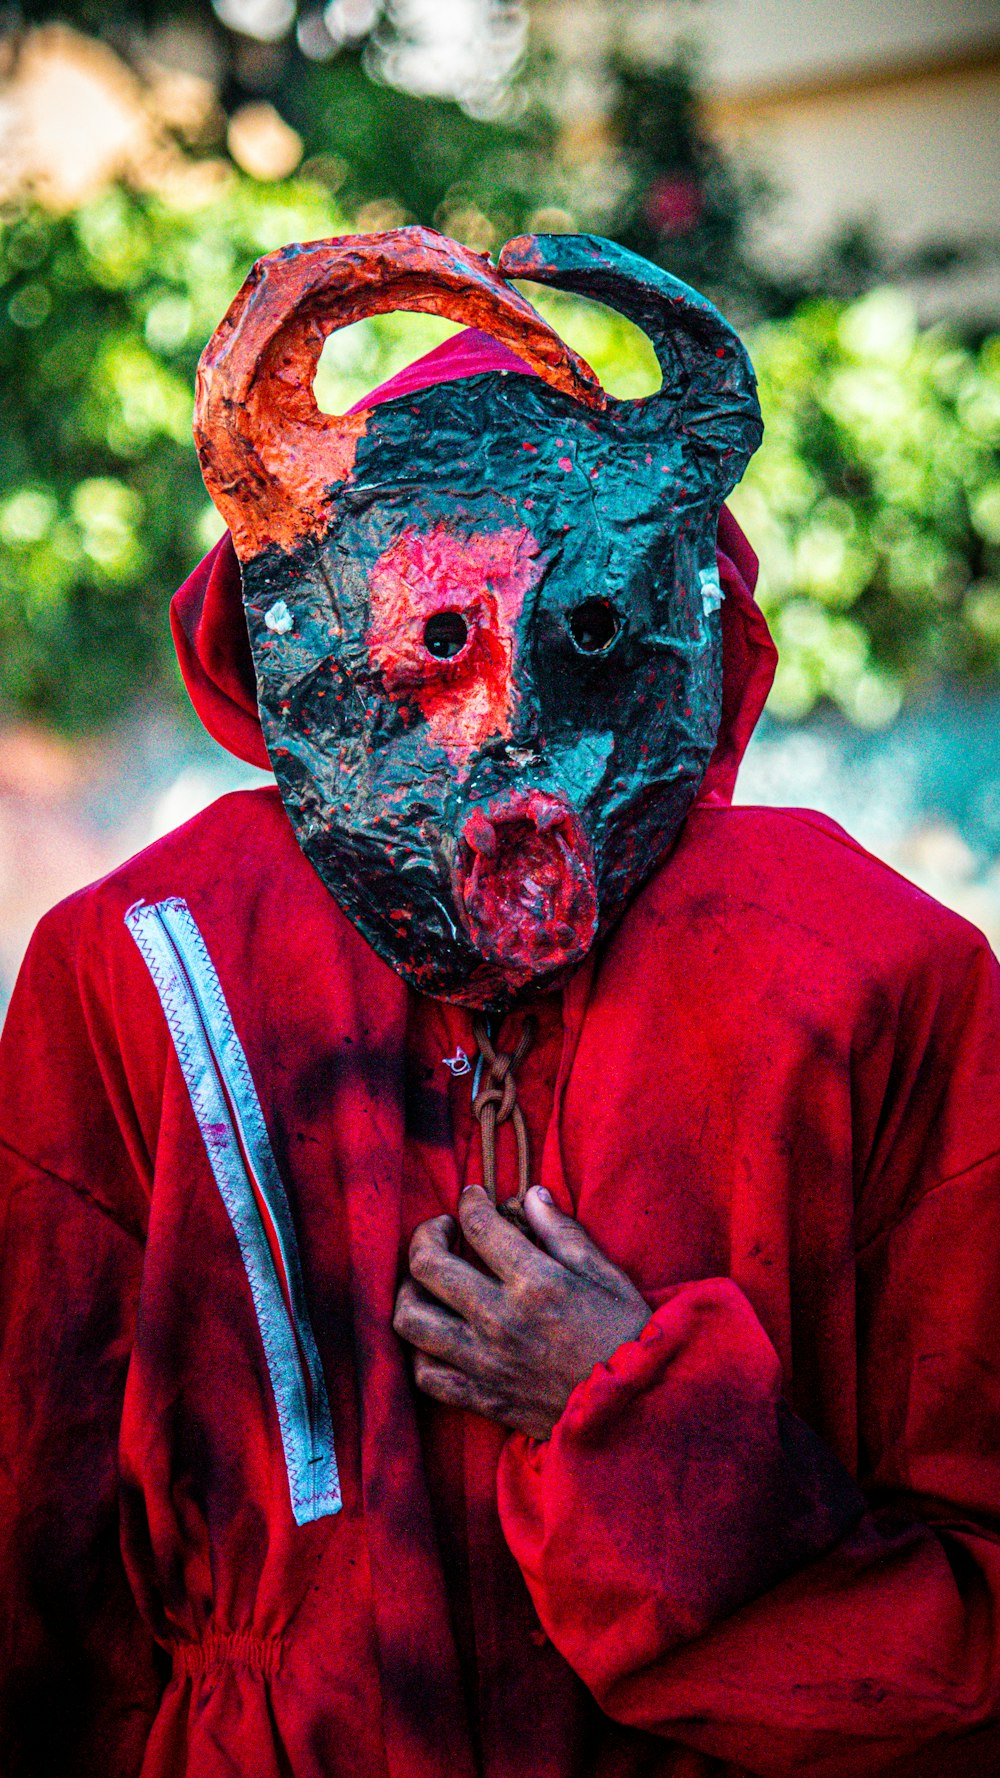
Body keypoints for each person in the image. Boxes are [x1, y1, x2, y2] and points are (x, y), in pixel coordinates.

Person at [1, 228, 998, 1778]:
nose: (500, 736)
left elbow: (968, 1620)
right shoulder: (138, 971)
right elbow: (35, 1572)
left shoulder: (873, 982)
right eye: (431, 646)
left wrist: (633, 1407)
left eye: (583, 635)